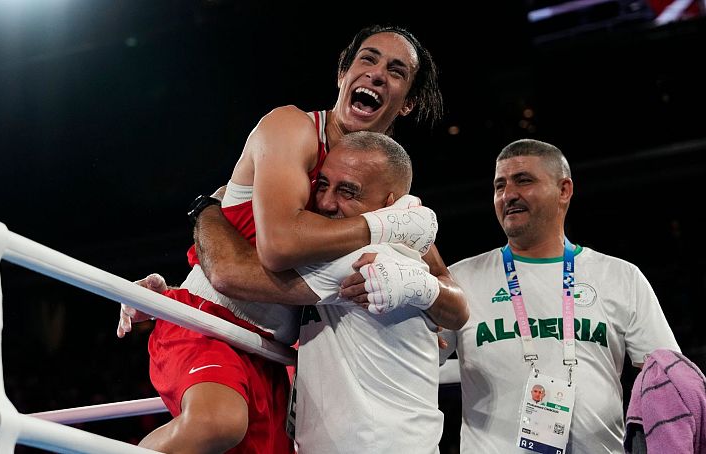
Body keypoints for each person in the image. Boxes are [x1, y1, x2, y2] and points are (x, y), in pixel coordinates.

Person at [118, 24, 468, 453]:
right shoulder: (292, 128)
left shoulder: (384, 191)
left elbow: (453, 302)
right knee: (215, 425)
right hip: (208, 322)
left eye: (395, 71)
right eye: (368, 59)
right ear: (343, 74)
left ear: (408, 102)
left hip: (272, 354)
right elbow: (277, 246)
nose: (377, 73)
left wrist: (419, 288)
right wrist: (382, 227)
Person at [195, 131, 462, 453]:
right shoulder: (382, 252)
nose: (325, 202)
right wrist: (166, 296)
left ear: (389, 205)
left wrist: (206, 209)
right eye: (322, 185)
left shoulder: (363, 258)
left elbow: (229, 273)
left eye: (348, 191)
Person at [435, 138, 680, 453]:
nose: (508, 195)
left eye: (523, 180)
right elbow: (418, 361)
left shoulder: (620, 277)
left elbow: (668, 381)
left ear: (564, 190)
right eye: (500, 186)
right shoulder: (460, 280)